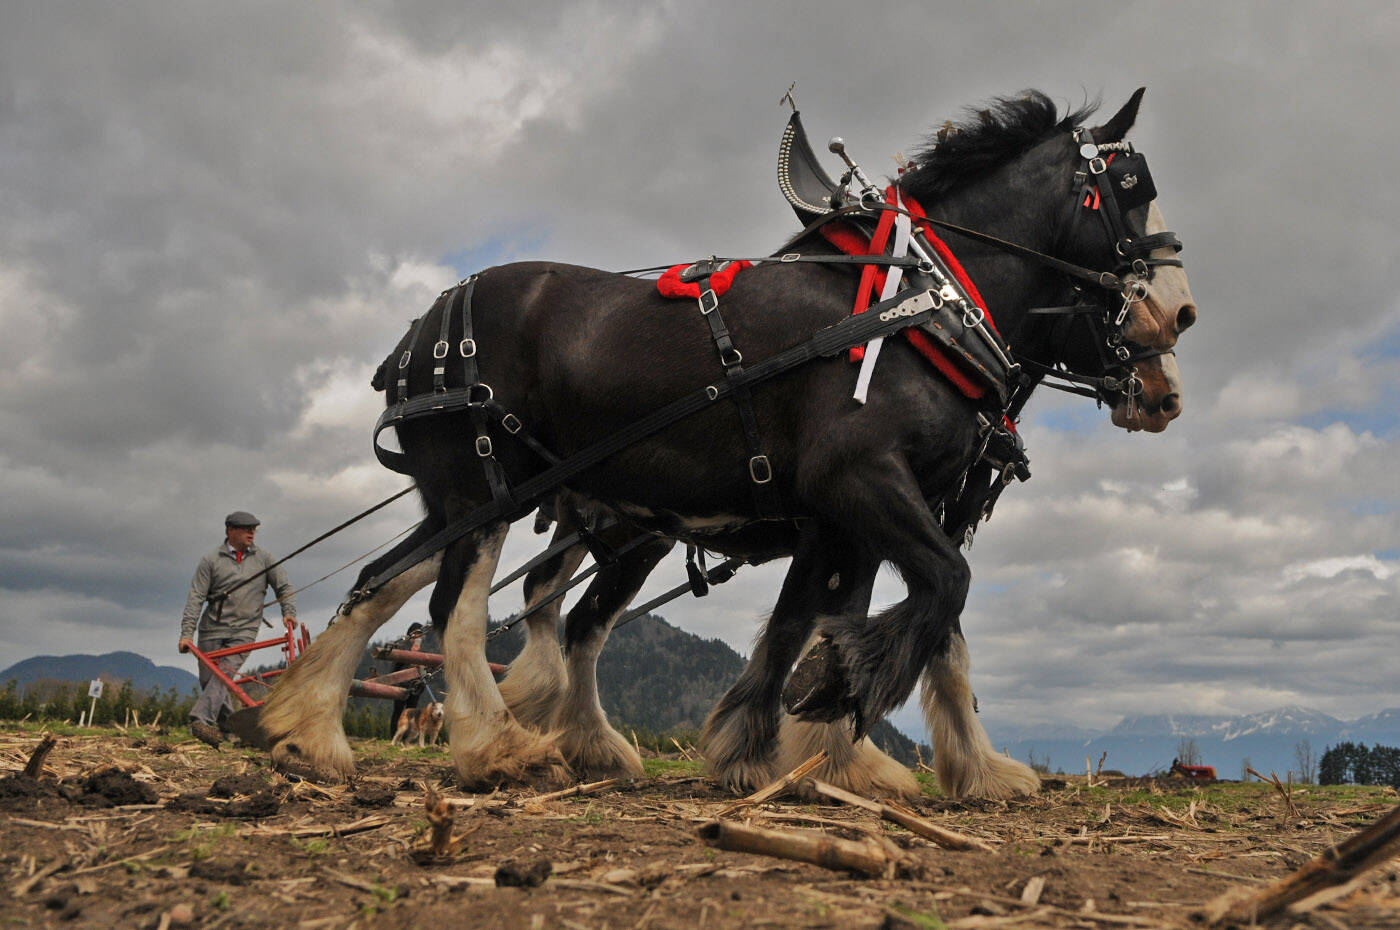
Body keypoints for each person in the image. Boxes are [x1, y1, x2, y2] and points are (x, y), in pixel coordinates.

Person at [179, 511, 297, 747]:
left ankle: (201, 719)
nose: (251, 533)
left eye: (254, 529)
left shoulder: (264, 558)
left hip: (245, 629)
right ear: (230, 531)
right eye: (246, 529)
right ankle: (230, 730)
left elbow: (283, 586)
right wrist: (186, 634)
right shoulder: (211, 560)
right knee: (209, 681)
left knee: (224, 676)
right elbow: (196, 598)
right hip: (211, 628)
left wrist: (289, 612)